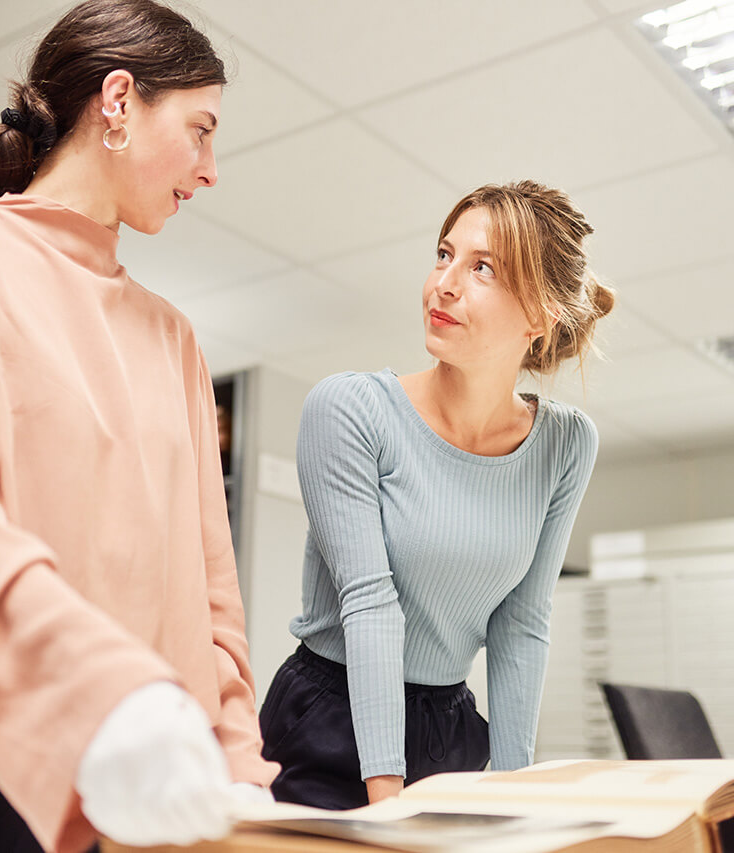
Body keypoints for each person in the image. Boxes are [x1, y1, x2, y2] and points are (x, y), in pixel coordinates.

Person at [0, 2, 277, 852]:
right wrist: (107, 694)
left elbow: (211, 590)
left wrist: (238, 761)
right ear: (118, 100)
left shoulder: (174, 337)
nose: (211, 168)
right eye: (201, 130)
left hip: (142, 768)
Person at [259, 181, 613, 810]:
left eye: (483, 268)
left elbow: (522, 624)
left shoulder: (565, 443)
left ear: (539, 316)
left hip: (450, 726)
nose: (444, 283)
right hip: (330, 719)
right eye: (444, 254)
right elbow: (369, 605)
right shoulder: (351, 409)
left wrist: (512, 793)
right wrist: (387, 802)